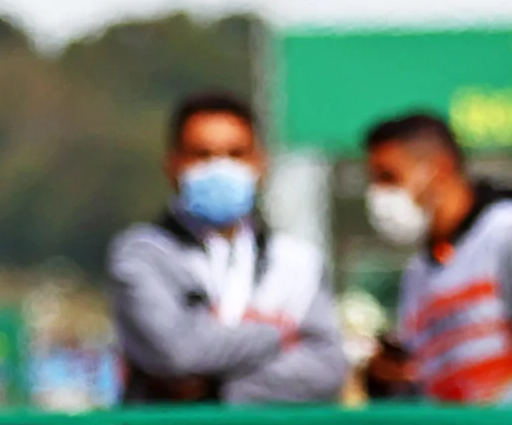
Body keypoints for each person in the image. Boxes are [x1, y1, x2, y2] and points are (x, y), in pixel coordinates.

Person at [109, 91, 346, 402]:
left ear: (260, 165)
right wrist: (278, 334)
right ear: (173, 165)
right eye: (203, 155)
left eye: (235, 154)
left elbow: (326, 370)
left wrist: (216, 387)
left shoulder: (296, 261)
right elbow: (176, 352)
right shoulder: (140, 255)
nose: (220, 168)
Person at [358, 110, 512, 402]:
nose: (378, 195)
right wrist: (387, 381)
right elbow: (428, 384)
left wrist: (509, 409)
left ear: (438, 167)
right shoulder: (418, 275)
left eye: (389, 177)